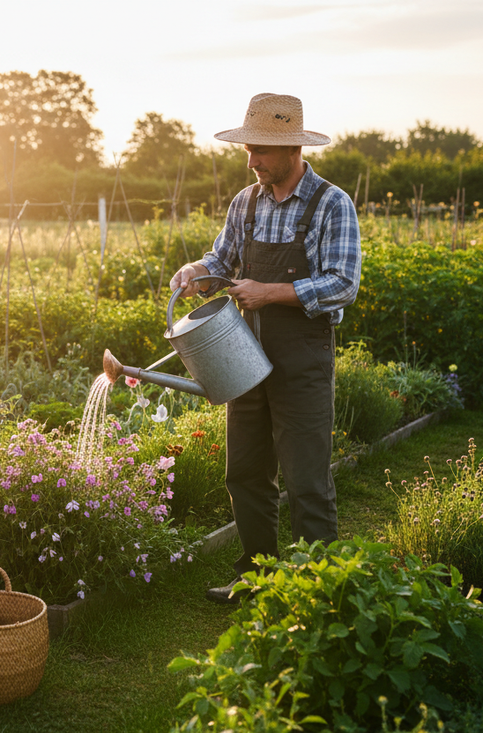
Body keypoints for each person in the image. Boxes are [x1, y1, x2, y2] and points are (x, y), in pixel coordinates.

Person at [169, 93, 362, 604]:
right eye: (248, 150)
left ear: (294, 149)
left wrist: (270, 292)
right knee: (246, 473)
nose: (251, 161)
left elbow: (343, 283)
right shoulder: (246, 203)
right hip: (243, 354)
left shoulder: (331, 203)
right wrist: (196, 272)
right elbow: (221, 260)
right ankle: (257, 578)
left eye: (261, 151)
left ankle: (317, 591)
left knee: (306, 481)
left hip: (302, 358)